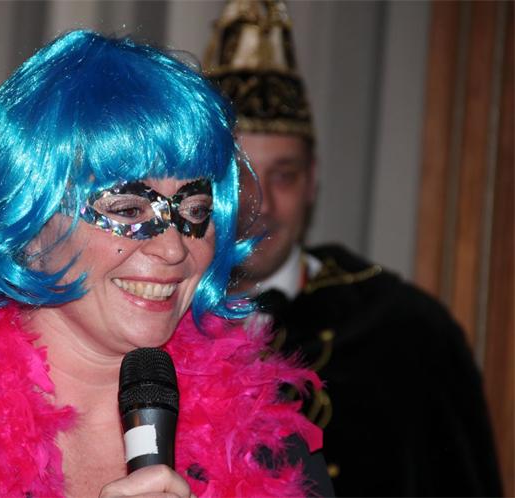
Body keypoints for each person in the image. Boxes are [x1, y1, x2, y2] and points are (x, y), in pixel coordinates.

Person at [0, 30, 334, 497]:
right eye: (128, 209)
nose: (174, 249)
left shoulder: (266, 440)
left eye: (195, 211)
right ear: (29, 220)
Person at [203, 1, 503, 496]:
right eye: (239, 176)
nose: (260, 204)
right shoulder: (152, 323)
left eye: (284, 175)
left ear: (313, 181)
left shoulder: (407, 334)